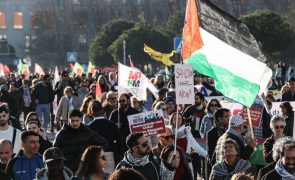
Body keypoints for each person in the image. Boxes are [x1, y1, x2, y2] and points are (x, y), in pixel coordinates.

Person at [88, 100, 125, 174]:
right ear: (102, 111)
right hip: (110, 155)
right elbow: (120, 142)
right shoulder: (112, 125)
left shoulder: (89, 127)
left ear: (92, 113)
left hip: (95, 157)